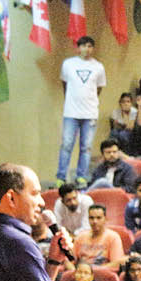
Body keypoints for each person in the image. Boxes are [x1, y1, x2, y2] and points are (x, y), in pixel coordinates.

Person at [58, 36, 107, 187]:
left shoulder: (98, 67)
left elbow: (99, 88)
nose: (87, 49)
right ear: (78, 48)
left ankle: (81, 177)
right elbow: (64, 84)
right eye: (84, 46)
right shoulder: (68, 64)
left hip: (90, 113)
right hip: (71, 113)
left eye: (90, 46)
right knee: (67, 144)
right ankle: (61, 177)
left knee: (86, 147)